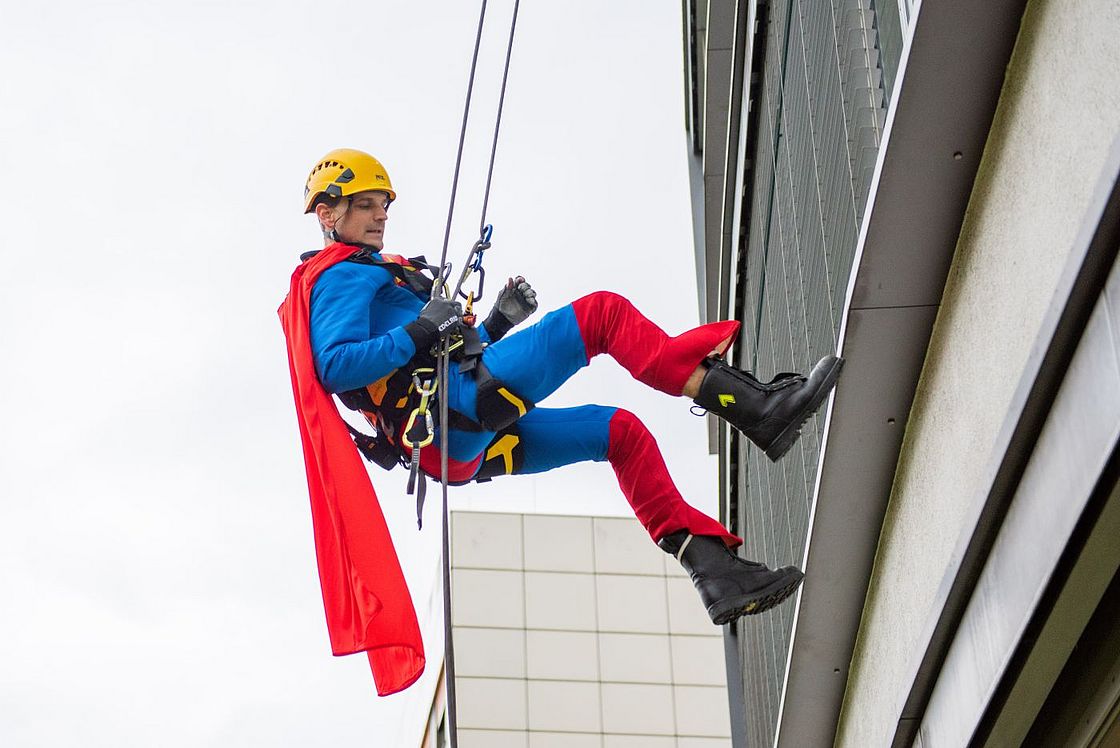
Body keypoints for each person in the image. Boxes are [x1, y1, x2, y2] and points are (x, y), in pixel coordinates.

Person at [280, 148, 842, 691]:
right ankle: (760, 409)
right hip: (452, 411)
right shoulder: (338, 275)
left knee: (618, 433)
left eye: (384, 203)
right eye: (365, 203)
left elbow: (425, 358)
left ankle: (715, 571)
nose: (381, 214)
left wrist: (495, 325)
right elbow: (334, 365)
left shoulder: (372, 274)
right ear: (327, 214)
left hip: (457, 436)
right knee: (601, 315)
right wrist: (422, 328)